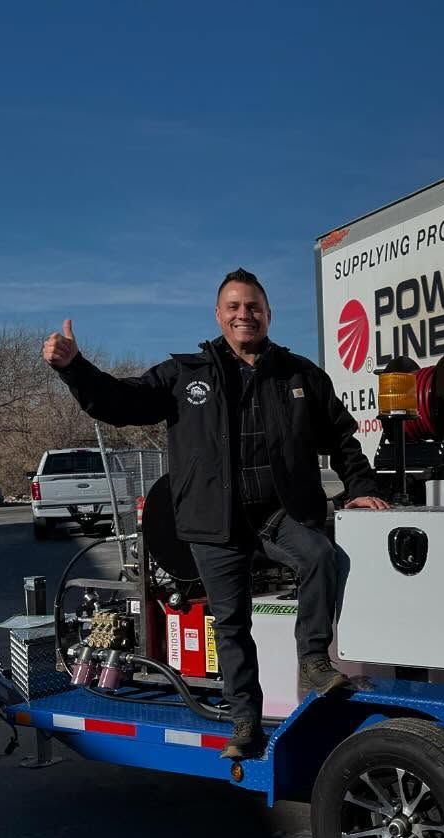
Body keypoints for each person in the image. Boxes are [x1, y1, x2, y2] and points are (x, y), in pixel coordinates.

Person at [42, 268, 388, 759]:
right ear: (219, 315)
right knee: (231, 624)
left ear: (268, 314)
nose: (245, 314)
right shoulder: (185, 374)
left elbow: (342, 438)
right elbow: (121, 403)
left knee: (319, 556)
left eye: (254, 306)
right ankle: (245, 722)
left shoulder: (299, 374)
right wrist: (74, 367)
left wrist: (362, 488)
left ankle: (313, 659)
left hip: (278, 513)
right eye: (234, 307)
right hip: (215, 521)